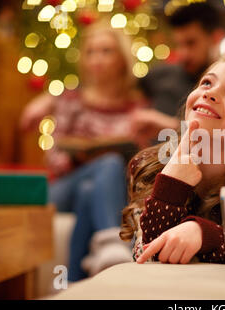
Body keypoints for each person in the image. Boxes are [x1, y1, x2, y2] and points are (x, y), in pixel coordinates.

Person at [119, 51, 225, 264]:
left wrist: (203, 233)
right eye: (207, 83)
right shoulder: (150, 165)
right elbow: (147, 256)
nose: (209, 93)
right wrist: (171, 185)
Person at [20, 20, 150, 281]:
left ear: (122, 59)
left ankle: (72, 283)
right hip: (63, 186)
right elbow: (54, 159)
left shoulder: (138, 108)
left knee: (90, 190)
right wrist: (79, 157)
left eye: (106, 51)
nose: (97, 59)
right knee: (108, 163)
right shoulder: (71, 101)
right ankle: (113, 243)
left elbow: (142, 165)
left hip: (107, 188)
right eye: (91, 52)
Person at [131, 2, 225, 143]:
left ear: (216, 38)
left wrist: (172, 127)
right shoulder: (159, 75)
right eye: (179, 44)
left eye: (191, 43)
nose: (183, 54)